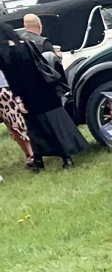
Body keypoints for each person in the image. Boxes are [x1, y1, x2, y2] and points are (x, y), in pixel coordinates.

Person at [0, 23, 86, 170]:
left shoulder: (4, 51)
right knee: (55, 125)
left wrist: (18, 98)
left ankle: (38, 160)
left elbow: (12, 76)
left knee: (34, 127)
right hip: (44, 89)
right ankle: (66, 158)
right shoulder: (26, 44)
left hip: (27, 93)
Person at [0, 55, 33, 165]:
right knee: (12, 127)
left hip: (3, 90)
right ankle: (29, 154)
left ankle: (32, 154)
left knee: (16, 124)